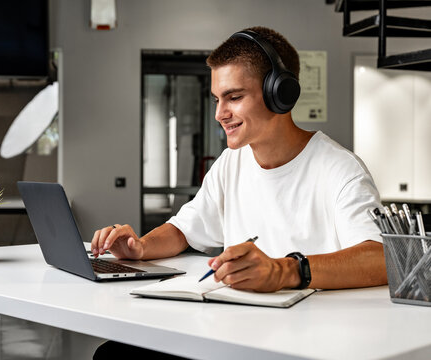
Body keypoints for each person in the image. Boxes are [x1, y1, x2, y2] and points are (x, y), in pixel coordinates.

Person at [92, 26, 387, 359]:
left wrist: (284, 271)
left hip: (307, 341)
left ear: (281, 93)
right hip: (237, 331)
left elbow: (379, 258)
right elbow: (184, 229)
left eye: (234, 97)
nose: (220, 114)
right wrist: (141, 247)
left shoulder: (340, 169)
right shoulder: (233, 161)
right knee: (115, 354)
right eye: (218, 99)